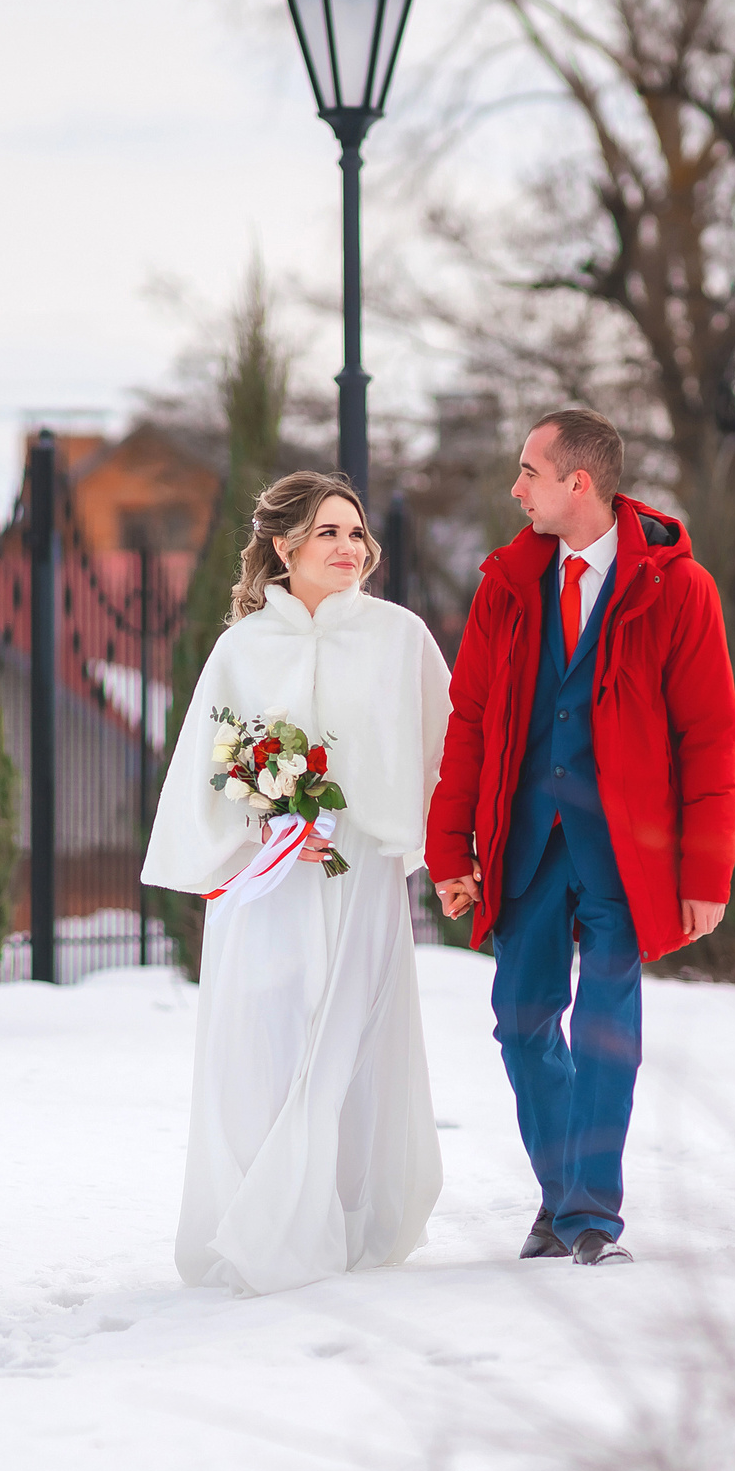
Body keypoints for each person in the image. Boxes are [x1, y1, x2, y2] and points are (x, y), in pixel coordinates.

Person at [427, 408, 735, 1267]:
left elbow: (710, 736)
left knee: (608, 1026)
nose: (516, 489)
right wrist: (451, 852)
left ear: (579, 482)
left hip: (626, 852)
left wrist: (706, 872)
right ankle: (565, 1191)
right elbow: (469, 724)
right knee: (521, 1022)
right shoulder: (505, 587)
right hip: (527, 843)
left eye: (529, 472)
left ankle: (590, 1216)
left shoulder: (680, 588)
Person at [143, 471, 452, 1294]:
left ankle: (330, 1218)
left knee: (347, 1036)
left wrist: (443, 849)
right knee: (266, 1037)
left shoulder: (400, 637)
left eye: (356, 533)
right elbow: (212, 761)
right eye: (328, 533)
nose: (350, 548)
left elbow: (445, 750)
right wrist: (268, 825)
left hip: (362, 875)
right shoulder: (242, 648)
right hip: (270, 877)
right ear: (284, 548)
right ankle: (261, 1211)